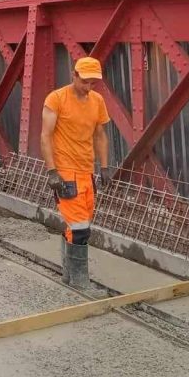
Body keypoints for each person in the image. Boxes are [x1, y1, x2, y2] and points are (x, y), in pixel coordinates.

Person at [40, 56, 112, 287]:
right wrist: (52, 171)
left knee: (79, 225)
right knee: (81, 228)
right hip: (66, 173)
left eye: (93, 83)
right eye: (85, 82)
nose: (88, 87)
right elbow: (45, 136)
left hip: (86, 172)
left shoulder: (97, 101)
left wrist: (105, 166)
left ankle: (69, 276)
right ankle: (80, 281)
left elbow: (100, 135)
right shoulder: (57, 99)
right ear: (74, 75)